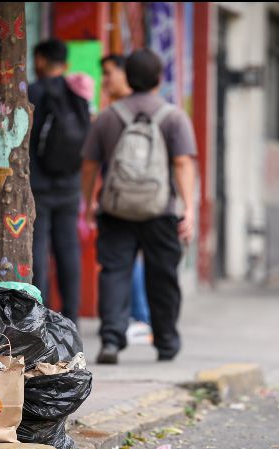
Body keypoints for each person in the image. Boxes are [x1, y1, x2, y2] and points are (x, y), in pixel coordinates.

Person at [81, 48, 197, 364]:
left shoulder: (108, 117)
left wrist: (89, 201)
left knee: (114, 272)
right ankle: (166, 341)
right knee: (163, 276)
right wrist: (188, 208)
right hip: (161, 210)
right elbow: (183, 163)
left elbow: (89, 165)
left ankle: (111, 339)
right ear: (159, 78)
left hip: (115, 209)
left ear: (128, 78)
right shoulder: (173, 117)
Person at [28, 39, 91, 326]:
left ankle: (39, 316)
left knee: (38, 250)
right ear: (65, 64)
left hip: (38, 185)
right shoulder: (77, 92)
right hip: (69, 184)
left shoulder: (33, 92)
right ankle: (71, 317)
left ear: (40, 60)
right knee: (68, 249)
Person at [100, 54, 153, 345]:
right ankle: (139, 318)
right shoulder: (137, 110)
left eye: (109, 73)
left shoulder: (118, 113)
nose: (105, 80)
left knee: (123, 260)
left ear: (125, 74)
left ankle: (140, 317)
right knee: (130, 259)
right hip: (142, 195)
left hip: (127, 195)